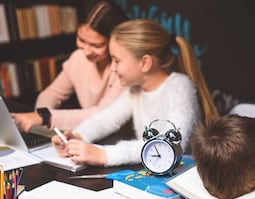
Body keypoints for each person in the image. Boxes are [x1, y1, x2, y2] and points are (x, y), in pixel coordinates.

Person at [51, 18, 218, 166]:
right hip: (154, 172)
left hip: (183, 177)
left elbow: (167, 145)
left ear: (145, 63)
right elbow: (107, 119)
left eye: (117, 60)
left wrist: (104, 155)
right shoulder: (134, 90)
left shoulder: (180, 87)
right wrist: (78, 136)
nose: (113, 68)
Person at [12, 1, 128, 132]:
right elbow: (52, 93)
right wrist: (40, 120)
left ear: (116, 41)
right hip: (91, 135)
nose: (87, 51)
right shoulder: (78, 57)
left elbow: (103, 114)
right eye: (81, 40)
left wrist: (45, 118)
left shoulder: (124, 68)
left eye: (97, 45)